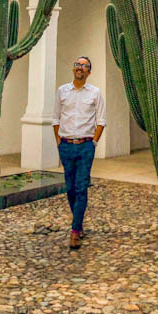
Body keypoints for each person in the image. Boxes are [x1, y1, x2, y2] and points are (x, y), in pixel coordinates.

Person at [53, 56, 106, 250]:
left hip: (85, 146)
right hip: (66, 145)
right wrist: (59, 143)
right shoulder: (62, 91)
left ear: (89, 72)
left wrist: (93, 142)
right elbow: (55, 118)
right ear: (73, 69)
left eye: (84, 66)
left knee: (81, 187)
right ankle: (79, 222)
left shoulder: (95, 93)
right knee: (70, 188)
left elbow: (101, 120)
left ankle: (75, 231)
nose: (80, 68)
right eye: (77, 64)